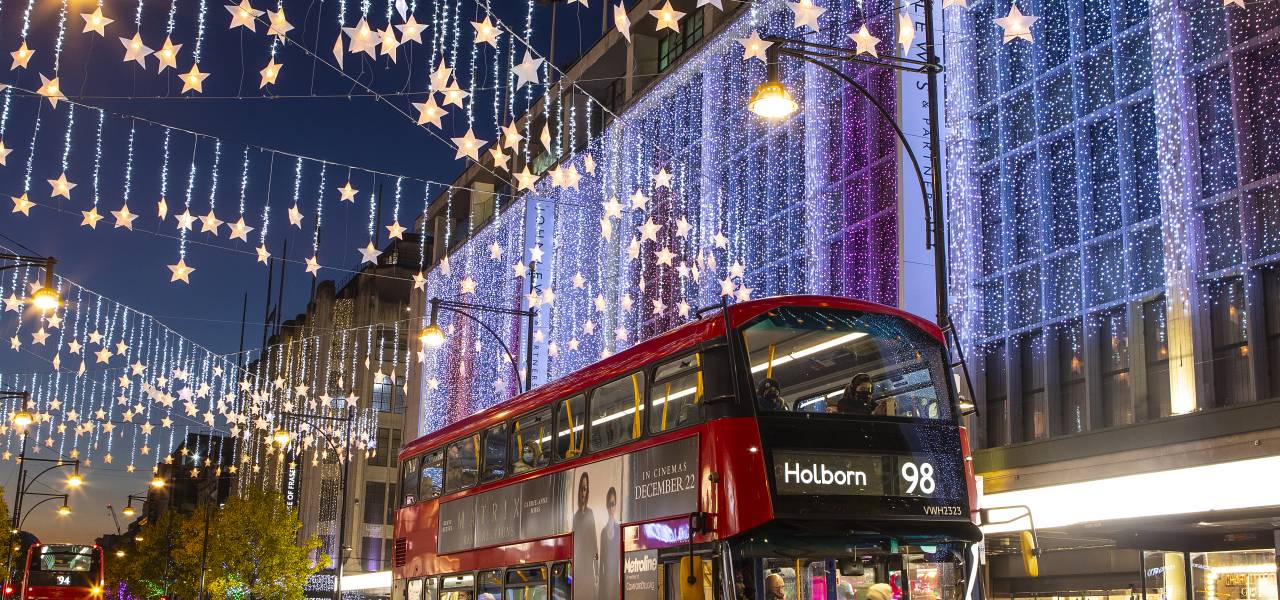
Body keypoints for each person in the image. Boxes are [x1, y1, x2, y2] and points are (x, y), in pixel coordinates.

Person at [572, 472, 599, 600]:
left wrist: (597, 572)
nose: (583, 493)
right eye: (582, 489)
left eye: (585, 489)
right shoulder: (575, 517)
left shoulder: (590, 514)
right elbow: (573, 547)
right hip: (578, 571)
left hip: (588, 569)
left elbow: (594, 545)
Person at [597, 487, 621, 600]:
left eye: (613, 504)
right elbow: (601, 561)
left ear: (615, 506)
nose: (611, 507)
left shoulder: (620, 530)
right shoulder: (603, 532)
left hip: (616, 581)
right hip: (605, 583)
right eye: (609, 504)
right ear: (606, 506)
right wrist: (601, 586)